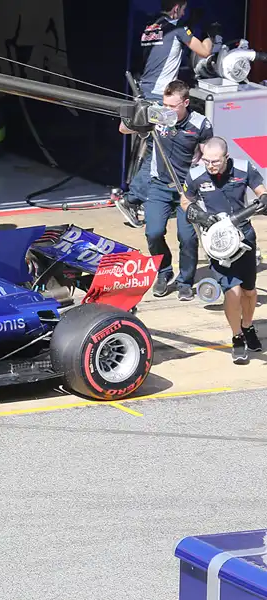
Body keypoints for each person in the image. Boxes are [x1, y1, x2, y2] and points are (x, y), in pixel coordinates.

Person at [114, 0, 215, 228]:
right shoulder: (178, 29)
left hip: (144, 90)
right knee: (159, 153)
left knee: (156, 149)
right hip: (160, 97)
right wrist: (208, 33)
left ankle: (145, 200)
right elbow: (205, 50)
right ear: (177, 9)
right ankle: (133, 199)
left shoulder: (151, 26)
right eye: (184, 8)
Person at [119, 80, 212, 299]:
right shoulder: (157, 115)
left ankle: (185, 281)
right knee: (153, 232)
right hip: (159, 185)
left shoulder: (200, 124)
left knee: (187, 237)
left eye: (172, 106)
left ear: (186, 103)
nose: (167, 110)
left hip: (188, 190)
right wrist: (138, 112)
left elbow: (208, 156)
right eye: (165, 104)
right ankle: (164, 271)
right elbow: (123, 129)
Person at [181, 137, 267, 363]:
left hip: (244, 236)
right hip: (217, 241)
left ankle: (248, 326)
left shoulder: (243, 168)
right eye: (207, 161)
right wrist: (197, 214)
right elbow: (184, 201)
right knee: (233, 291)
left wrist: (263, 198)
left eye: (216, 161)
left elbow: (260, 189)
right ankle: (237, 336)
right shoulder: (197, 174)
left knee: (249, 291)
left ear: (225, 158)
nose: (211, 165)